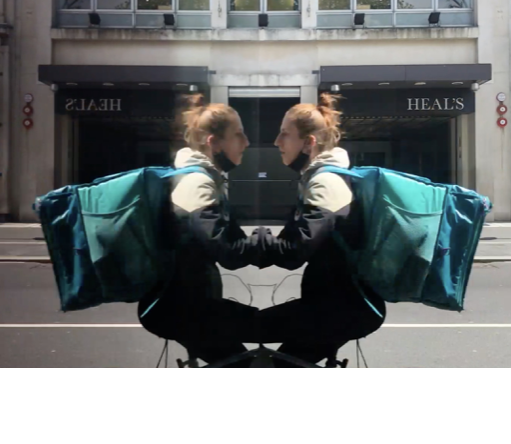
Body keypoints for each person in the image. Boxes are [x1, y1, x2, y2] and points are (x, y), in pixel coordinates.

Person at [249, 93, 385, 366]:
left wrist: (254, 240)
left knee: (257, 338)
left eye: (285, 134)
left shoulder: (326, 182)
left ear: (308, 143)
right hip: (332, 305)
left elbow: (293, 252)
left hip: (343, 309)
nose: (277, 142)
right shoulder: (316, 179)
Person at [136, 95, 262, 366]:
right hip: (180, 308)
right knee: (247, 364)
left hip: (192, 303)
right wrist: (268, 245)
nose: (246, 142)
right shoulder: (195, 183)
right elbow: (227, 250)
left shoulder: (205, 179)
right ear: (213, 143)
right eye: (238, 135)